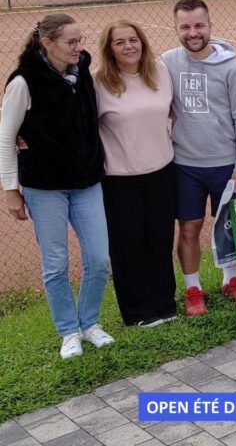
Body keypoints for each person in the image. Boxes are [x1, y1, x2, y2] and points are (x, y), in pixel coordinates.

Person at [1, 14, 114, 358]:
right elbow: (6, 136)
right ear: (46, 43)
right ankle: (68, 331)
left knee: (98, 259)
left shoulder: (83, 74)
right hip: (44, 187)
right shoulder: (24, 81)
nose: (79, 47)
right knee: (56, 263)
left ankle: (89, 323)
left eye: (81, 40)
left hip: (87, 181)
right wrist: (10, 190)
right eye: (71, 42)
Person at [165, 0, 236, 316]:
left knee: (231, 226)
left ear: (210, 26)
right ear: (176, 28)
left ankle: (230, 280)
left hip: (227, 166)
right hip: (185, 166)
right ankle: (193, 289)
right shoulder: (166, 63)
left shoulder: (231, 66)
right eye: (185, 26)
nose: (193, 32)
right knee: (188, 229)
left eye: (199, 25)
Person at [95, 19, 177, 327]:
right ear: (110, 49)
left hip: (161, 171)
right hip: (120, 179)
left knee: (159, 239)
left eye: (133, 40)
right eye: (120, 42)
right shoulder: (99, 82)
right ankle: (138, 311)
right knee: (128, 246)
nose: (129, 46)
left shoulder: (159, 71)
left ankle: (165, 302)